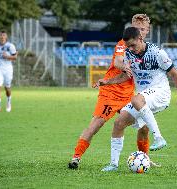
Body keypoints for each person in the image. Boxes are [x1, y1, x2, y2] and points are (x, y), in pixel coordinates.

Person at [68, 14, 152, 169]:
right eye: (136, 28)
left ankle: (144, 159)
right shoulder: (123, 43)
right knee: (96, 125)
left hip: (128, 95)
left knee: (144, 126)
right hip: (111, 92)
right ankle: (76, 157)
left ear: (147, 31)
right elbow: (118, 61)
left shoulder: (147, 50)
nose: (139, 31)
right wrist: (124, 67)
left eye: (142, 29)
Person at [99, 26, 177, 171]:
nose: (131, 49)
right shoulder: (128, 54)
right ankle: (113, 164)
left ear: (141, 38)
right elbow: (125, 75)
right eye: (128, 46)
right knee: (118, 123)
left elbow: (175, 74)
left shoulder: (157, 52)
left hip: (161, 92)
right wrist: (107, 82)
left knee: (136, 99)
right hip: (144, 97)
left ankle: (159, 138)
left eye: (133, 45)